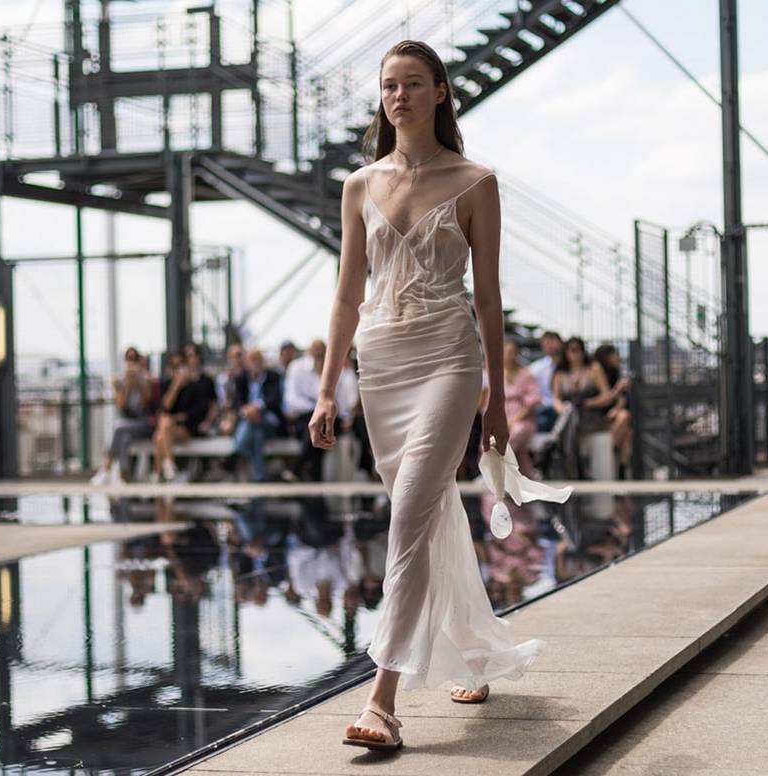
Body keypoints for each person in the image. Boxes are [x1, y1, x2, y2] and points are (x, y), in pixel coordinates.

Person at [306, 40, 566, 751]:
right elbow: (346, 296)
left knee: (409, 517)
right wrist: (327, 390)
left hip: (449, 359)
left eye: (413, 83)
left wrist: (497, 400)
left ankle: (383, 701)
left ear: (442, 93)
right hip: (381, 367)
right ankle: (474, 654)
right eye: (390, 85)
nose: (399, 96)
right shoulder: (359, 185)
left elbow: (489, 301)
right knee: (423, 517)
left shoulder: (476, 181)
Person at [283, 338, 353, 481]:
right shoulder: (297, 368)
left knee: (323, 426)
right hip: (305, 417)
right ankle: (313, 474)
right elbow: (291, 399)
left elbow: (341, 397)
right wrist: (317, 407)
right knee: (317, 425)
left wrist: (345, 416)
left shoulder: (334, 367)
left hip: (329, 419)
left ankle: (300, 467)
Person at [152, 342, 217, 482]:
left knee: (162, 431)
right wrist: (175, 386)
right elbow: (165, 407)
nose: (178, 369)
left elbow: (194, 414)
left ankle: (158, 474)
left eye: (181, 364)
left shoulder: (196, 386)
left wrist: (174, 419)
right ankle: (167, 466)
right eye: (174, 366)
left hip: (187, 428)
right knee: (161, 433)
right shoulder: (167, 384)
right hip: (170, 428)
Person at [92, 346, 157, 484]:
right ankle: (124, 477)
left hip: (145, 424)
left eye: (134, 359)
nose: (131, 363)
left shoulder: (148, 380)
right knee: (123, 437)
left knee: (117, 427)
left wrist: (139, 384)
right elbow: (122, 407)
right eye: (128, 359)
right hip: (128, 425)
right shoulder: (121, 381)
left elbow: (146, 406)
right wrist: (127, 386)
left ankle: (106, 467)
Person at [478, 337, 542, 477]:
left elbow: (532, 402)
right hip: (500, 418)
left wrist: (513, 420)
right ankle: (522, 477)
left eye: (512, 352)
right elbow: (486, 403)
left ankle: (500, 475)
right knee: (491, 443)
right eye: (506, 352)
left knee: (512, 438)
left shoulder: (526, 374)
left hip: (522, 420)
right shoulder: (493, 374)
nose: (509, 355)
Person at [230, 347, 285, 482]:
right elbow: (237, 402)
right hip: (249, 419)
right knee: (257, 435)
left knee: (253, 426)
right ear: (247, 362)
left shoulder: (273, 376)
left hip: (268, 417)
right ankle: (260, 477)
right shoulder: (241, 379)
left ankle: (237, 451)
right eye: (251, 359)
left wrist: (256, 407)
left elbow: (274, 399)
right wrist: (247, 411)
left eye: (257, 359)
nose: (255, 362)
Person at [593, 343, 633, 478]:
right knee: (625, 425)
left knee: (627, 428)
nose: (618, 357)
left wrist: (616, 409)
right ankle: (610, 450)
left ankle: (621, 467)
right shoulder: (597, 372)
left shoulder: (615, 372)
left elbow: (621, 400)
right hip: (598, 413)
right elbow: (606, 398)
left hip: (612, 413)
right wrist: (617, 388)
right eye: (614, 354)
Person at [528, 330, 563, 432]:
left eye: (552, 341)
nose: (549, 345)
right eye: (546, 343)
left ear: (560, 343)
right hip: (544, 408)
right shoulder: (536, 368)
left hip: (562, 406)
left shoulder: (567, 366)